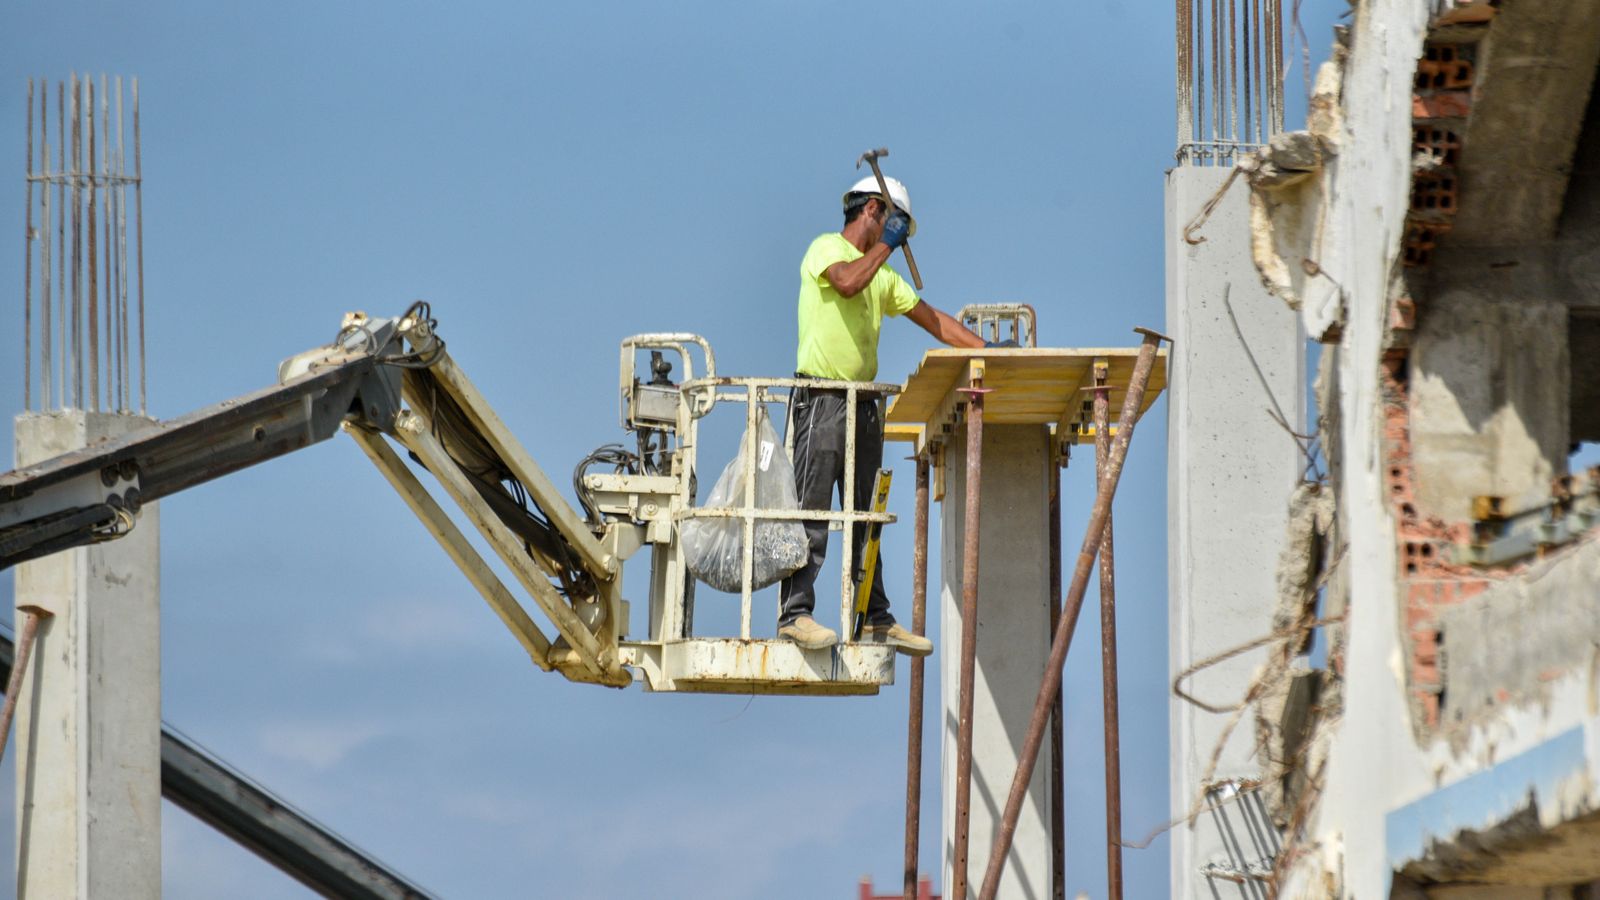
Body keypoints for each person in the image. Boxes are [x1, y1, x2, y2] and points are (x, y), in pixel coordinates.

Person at [778, 175, 985, 656]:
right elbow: (848, 284)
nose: (898, 238)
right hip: (822, 399)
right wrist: (890, 244)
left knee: (866, 514)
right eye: (897, 226)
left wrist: (989, 350)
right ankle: (795, 614)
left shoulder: (883, 277)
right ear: (874, 209)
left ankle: (873, 617)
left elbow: (934, 321)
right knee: (812, 510)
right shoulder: (825, 249)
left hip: (864, 404)